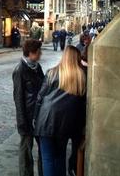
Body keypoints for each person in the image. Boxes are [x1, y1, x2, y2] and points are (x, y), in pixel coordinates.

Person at [34, 46, 87, 176]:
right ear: (77, 59)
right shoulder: (81, 77)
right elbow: (81, 106)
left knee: (47, 159)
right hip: (65, 124)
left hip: (46, 120)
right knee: (59, 157)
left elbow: (40, 98)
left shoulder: (52, 73)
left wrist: (35, 118)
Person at [12, 39, 44, 176]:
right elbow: (18, 98)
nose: (40, 54)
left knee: (43, 149)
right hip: (27, 117)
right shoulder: (20, 70)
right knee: (26, 151)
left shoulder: (37, 67)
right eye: (38, 52)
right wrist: (22, 121)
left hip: (40, 115)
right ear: (31, 53)